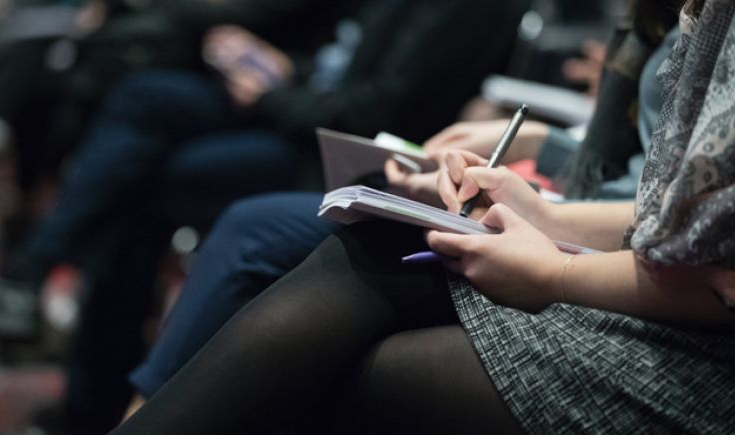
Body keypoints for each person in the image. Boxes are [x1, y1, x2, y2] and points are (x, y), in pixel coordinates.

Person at [112, 0, 735, 433]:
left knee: (343, 364)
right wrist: (548, 215)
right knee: (364, 245)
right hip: (637, 261)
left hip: (702, 359)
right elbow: (674, 214)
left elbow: (711, 267)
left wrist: (554, 269)